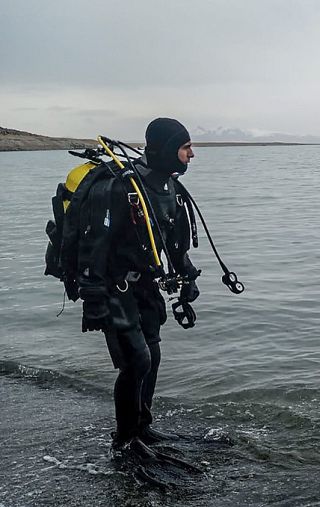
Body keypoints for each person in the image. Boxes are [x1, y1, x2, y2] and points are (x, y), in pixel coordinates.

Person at [78, 118, 201, 452]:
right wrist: (92, 300)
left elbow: (175, 246)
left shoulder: (170, 189)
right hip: (112, 286)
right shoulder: (121, 189)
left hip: (144, 284)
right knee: (137, 361)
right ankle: (125, 439)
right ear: (165, 150)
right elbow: (95, 244)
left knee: (154, 353)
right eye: (185, 147)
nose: (192, 154)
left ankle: (142, 428)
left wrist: (187, 278)